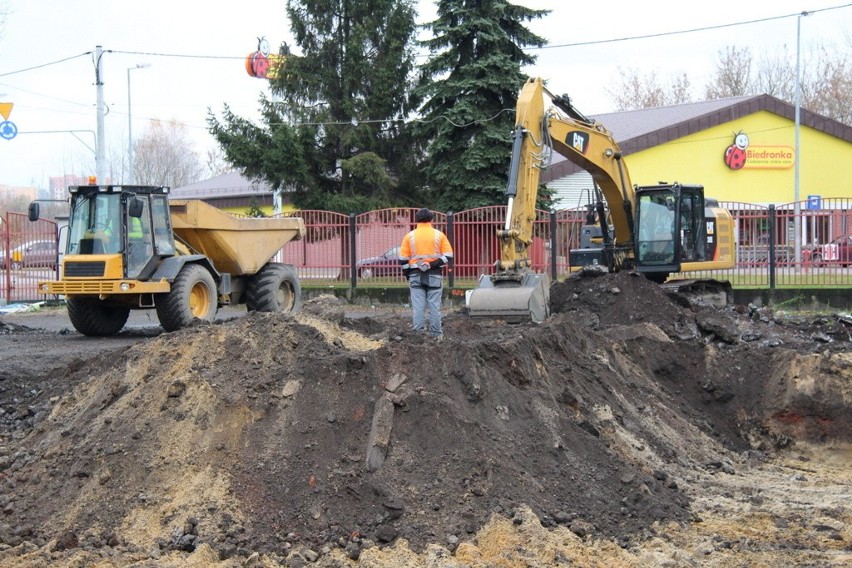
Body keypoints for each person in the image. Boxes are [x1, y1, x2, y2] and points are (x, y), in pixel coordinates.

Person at [398, 208, 454, 340]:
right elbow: (448, 256)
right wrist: (433, 264)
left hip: (415, 275)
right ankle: (436, 335)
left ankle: (418, 335)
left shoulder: (409, 236)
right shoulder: (439, 235)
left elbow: (403, 260)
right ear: (431, 219)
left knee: (418, 307)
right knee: (434, 306)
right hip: (434, 275)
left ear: (416, 220)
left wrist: (408, 274)